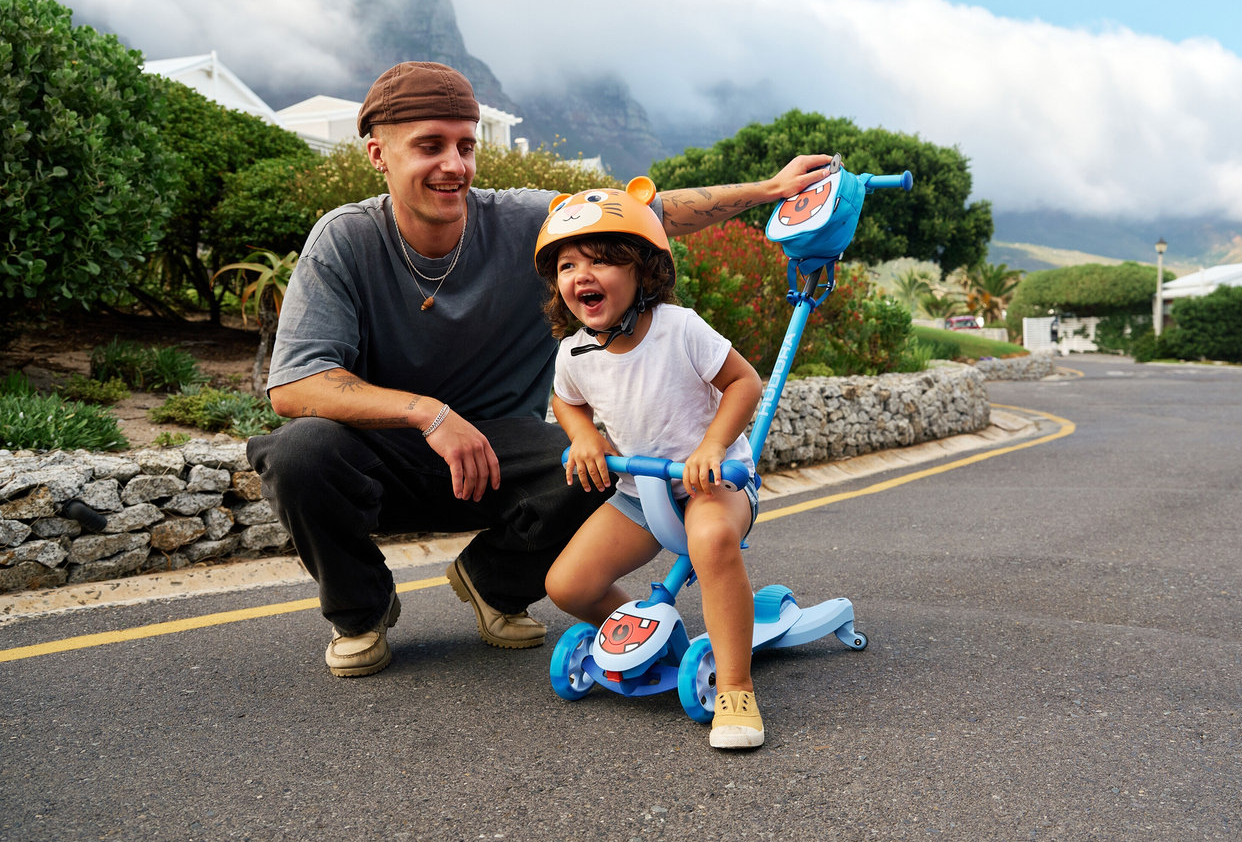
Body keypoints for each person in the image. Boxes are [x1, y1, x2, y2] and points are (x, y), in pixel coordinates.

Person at [246, 60, 831, 678]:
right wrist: (428, 414)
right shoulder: (344, 239)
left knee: (603, 461)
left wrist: (767, 191)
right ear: (377, 154)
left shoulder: (527, 222)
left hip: (504, 454)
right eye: (430, 146)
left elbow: (638, 216)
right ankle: (360, 612)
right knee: (298, 454)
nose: (455, 165)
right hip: (381, 458)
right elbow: (294, 384)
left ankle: (493, 584)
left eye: (465, 146)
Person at [533, 178, 766, 749]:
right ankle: (655, 636)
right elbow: (565, 398)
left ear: (643, 270)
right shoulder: (575, 351)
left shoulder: (678, 328)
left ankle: (735, 686)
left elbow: (743, 381)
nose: (581, 275)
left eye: (602, 260)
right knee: (567, 584)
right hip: (641, 492)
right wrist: (584, 434)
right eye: (567, 266)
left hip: (713, 484)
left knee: (711, 543)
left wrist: (713, 446)